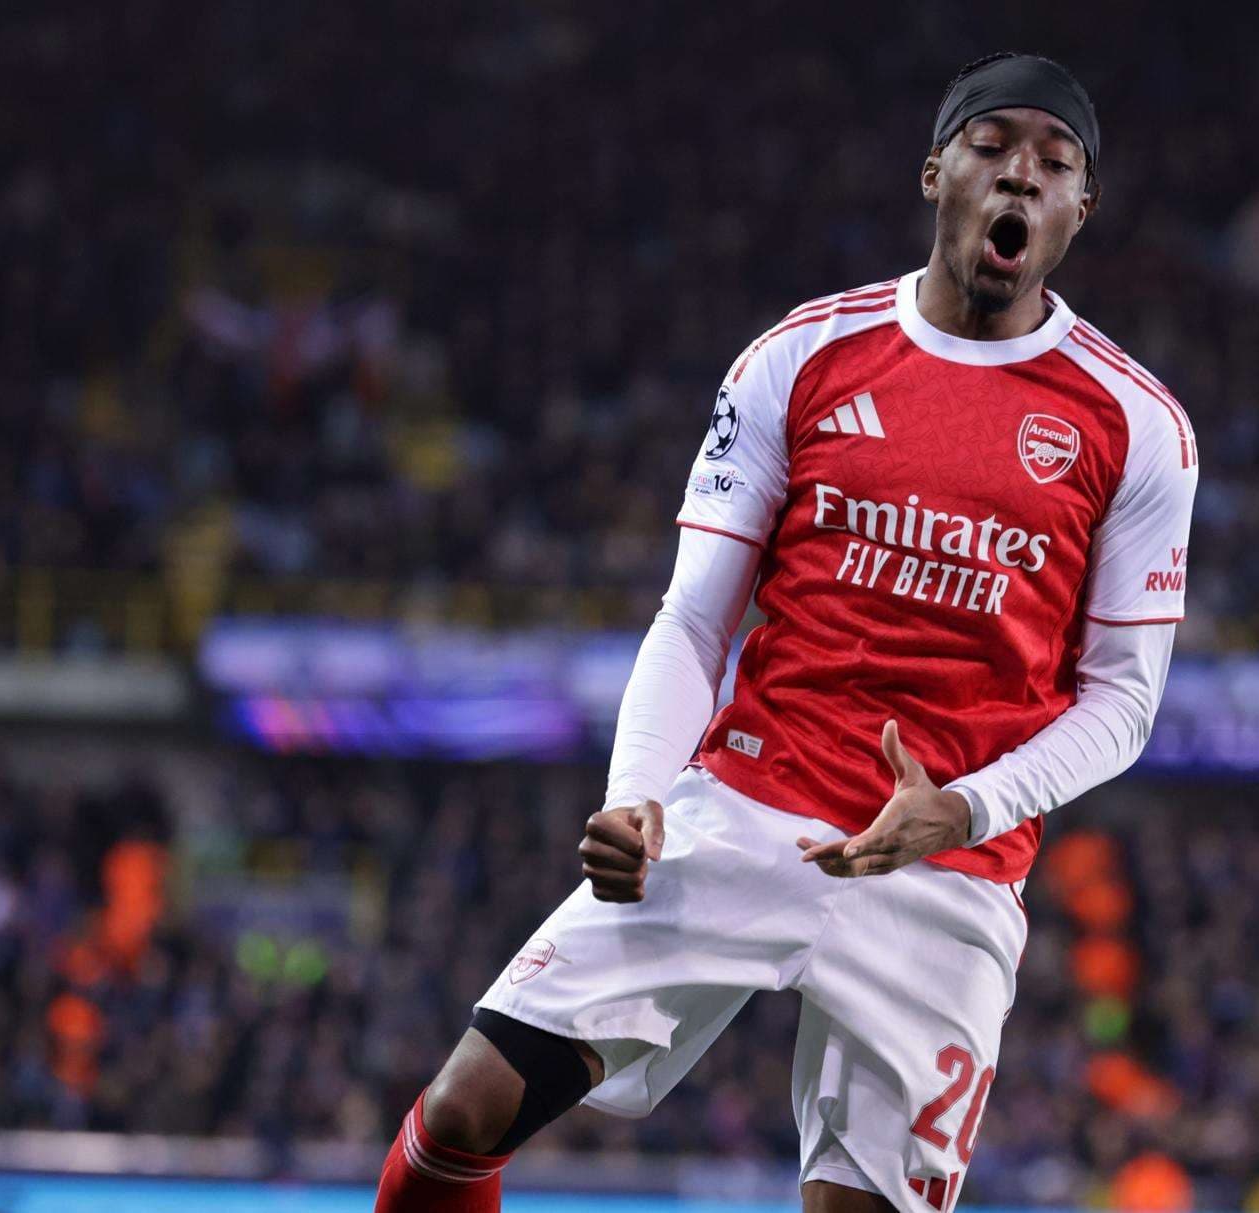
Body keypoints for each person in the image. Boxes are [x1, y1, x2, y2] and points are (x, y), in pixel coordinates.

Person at [373, 51, 1197, 1213]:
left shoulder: (1136, 423)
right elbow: (694, 616)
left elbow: (1124, 701)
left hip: (947, 871)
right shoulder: (802, 355)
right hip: (743, 809)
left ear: (1079, 210)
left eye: (1053, 163)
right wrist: (636, 789)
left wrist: (963, 806)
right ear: (936, 174)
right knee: (464, 1107)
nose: (1021, 176)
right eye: (992, 147)